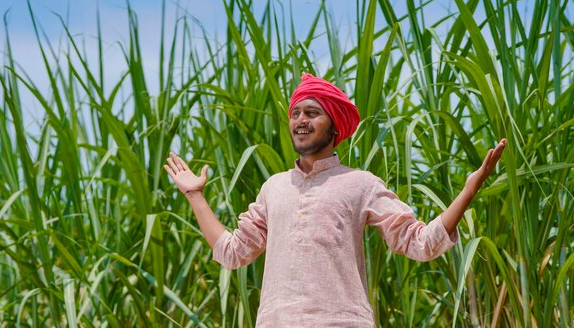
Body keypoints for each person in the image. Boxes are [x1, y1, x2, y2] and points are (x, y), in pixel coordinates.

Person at [164, 73, 506, 328]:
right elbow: (232, 252)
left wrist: (468, 192)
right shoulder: (274, 188)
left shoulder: (359, 184)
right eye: (295, 114)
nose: (300, 121)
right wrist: (195, 195)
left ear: (334, 126)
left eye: (312, 113)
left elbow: (420, 243)